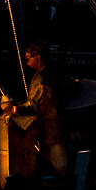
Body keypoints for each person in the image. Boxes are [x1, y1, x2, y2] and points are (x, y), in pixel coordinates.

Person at [21, 43, 68, 173]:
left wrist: (19, 108)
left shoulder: (42, 79)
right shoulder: (51, 74)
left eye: (28, 58)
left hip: (51, 126)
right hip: (53, 126)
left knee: (58, 162)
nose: (27, 61)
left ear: (37, 56)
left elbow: (35, 103)